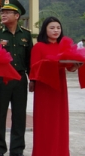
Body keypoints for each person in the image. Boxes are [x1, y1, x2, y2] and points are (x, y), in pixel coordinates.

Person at [29, 17, 81, 156]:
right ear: (45, 29)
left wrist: (76, 65)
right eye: (52, 28)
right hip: (44, 88)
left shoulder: (64, 46)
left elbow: (70, 67)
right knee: (45, 122)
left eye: (58, 28)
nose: (55, 30)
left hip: (60, 88)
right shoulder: (38, 47)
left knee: (59, 121)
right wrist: (50, 64)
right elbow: (34, 68)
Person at [0, 0, 33, 156]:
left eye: (8, 12)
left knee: (19, 115)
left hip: (20, 79)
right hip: (1, 80)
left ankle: (17, 150)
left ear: (17, 16)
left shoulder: (26, 35)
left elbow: (30, 59)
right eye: (2, 12)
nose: (3, 15)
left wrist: (32, 79)